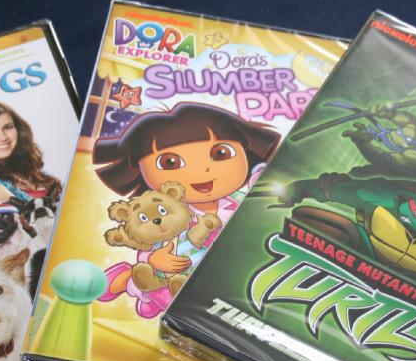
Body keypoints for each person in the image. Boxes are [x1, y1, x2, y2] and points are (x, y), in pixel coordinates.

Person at [92, 102, 280, 316]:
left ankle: (146, 291)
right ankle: (129, 280)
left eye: (220, 153)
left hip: (227, 275)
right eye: (170, 162)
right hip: (181, 273)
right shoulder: (169, 214)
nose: (202, 170)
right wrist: (153, 259)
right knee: (174, 293)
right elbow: (151, 240)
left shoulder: (241, 202)